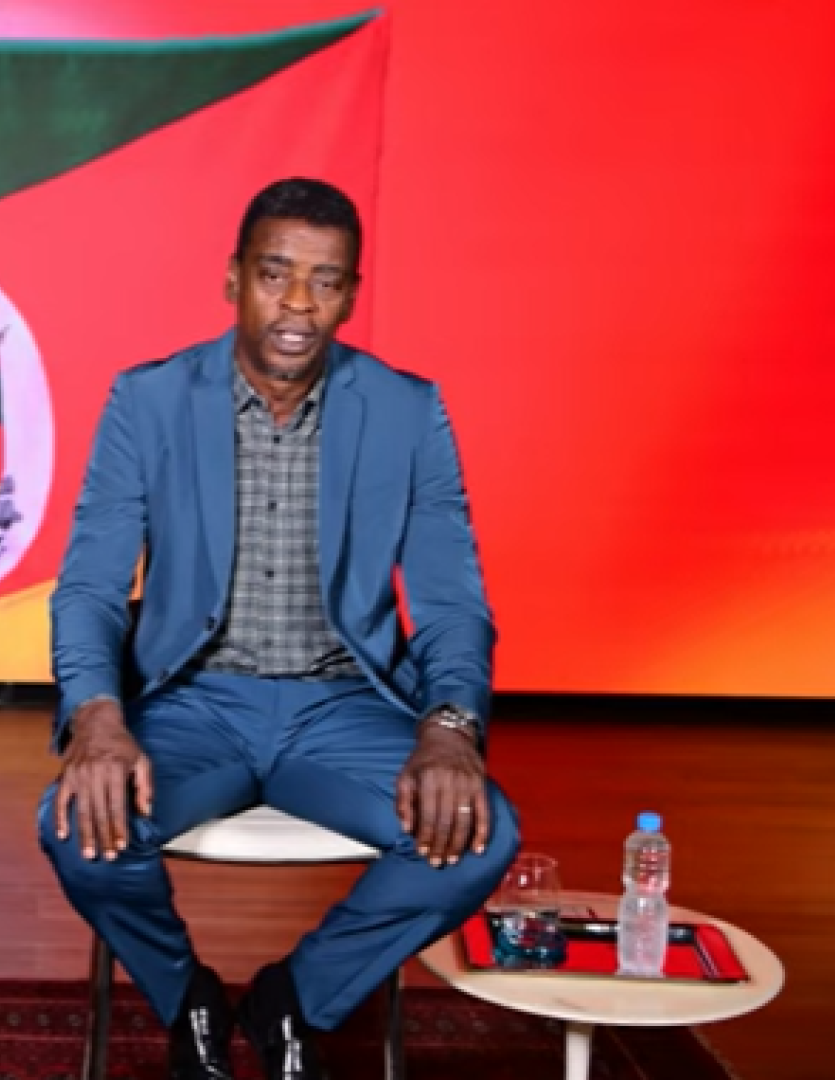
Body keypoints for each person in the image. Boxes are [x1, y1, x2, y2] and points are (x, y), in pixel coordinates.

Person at [38, 177, 521, 1080]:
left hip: (341, 705)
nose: (298, 304)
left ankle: (290, 999)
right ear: (234, 279)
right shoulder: (148, 401)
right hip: (192, 703)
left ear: (350, 294)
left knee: (480, 835)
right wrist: (97, 715)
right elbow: (91, 587)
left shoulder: (408, 411)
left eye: (325, 282)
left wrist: (451, 726)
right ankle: (189, 1003)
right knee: (78, 828)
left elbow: (453, 602)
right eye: (275, 275)